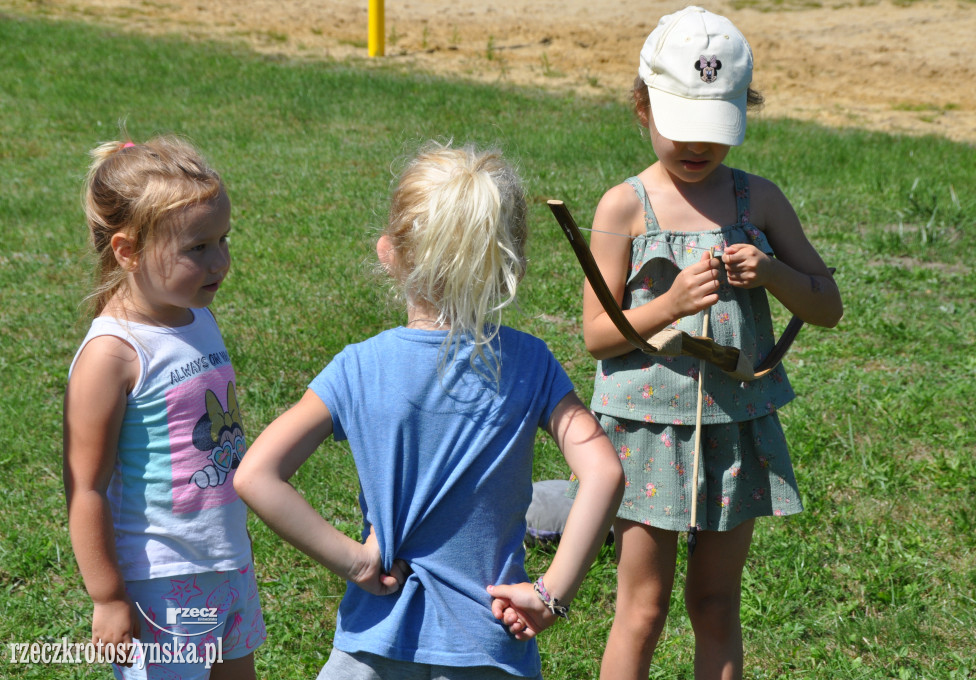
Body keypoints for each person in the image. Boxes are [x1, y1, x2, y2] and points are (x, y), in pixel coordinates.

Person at [233, 141, 624, 680]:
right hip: (488, 646)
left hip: (371, 646)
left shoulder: (357, 367)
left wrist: (355, 560)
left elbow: (256, 475)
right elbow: (603, 471)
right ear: (509, 259)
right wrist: (551, 594)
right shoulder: (531, 363)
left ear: (389, 251)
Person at [578, 7, 844, 680]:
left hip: (734, 429)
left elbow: (827, 306)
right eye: (680, 130)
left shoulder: (761, 201)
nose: (696, 149)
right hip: (646, 429)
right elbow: (597, 337)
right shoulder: (624, 206)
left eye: (713, 133)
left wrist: (775, 271)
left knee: (718, 604)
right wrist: (668, 305)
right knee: (641, 608)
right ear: (641, 105)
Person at [63, 134, 264, 679]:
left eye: (223, 240)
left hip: (227, 561)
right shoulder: (113, 355)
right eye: (197, 248)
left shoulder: (196, 314)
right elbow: (86, 486)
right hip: (162, 578)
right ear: (127, 251)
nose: (219, 260)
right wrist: (107, 596)